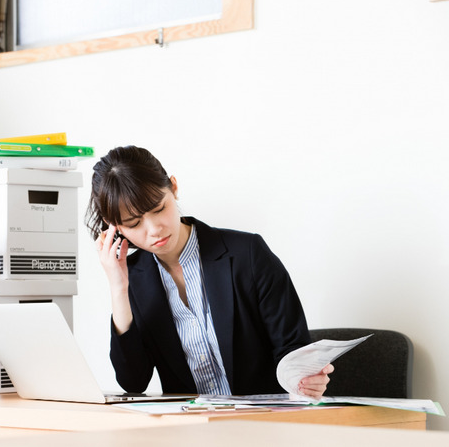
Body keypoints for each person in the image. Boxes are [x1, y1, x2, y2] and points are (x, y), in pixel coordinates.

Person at [85, 145, 333, 399]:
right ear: (116, 228)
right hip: (189, 430)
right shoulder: (134, 282)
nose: (154, 229)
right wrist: (118, 287)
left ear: (174, 188)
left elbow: (293, 349)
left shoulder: (248, 254)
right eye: (134, 223)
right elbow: (132, 381)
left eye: (159, 209)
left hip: (263, 425)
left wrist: (306, 378)